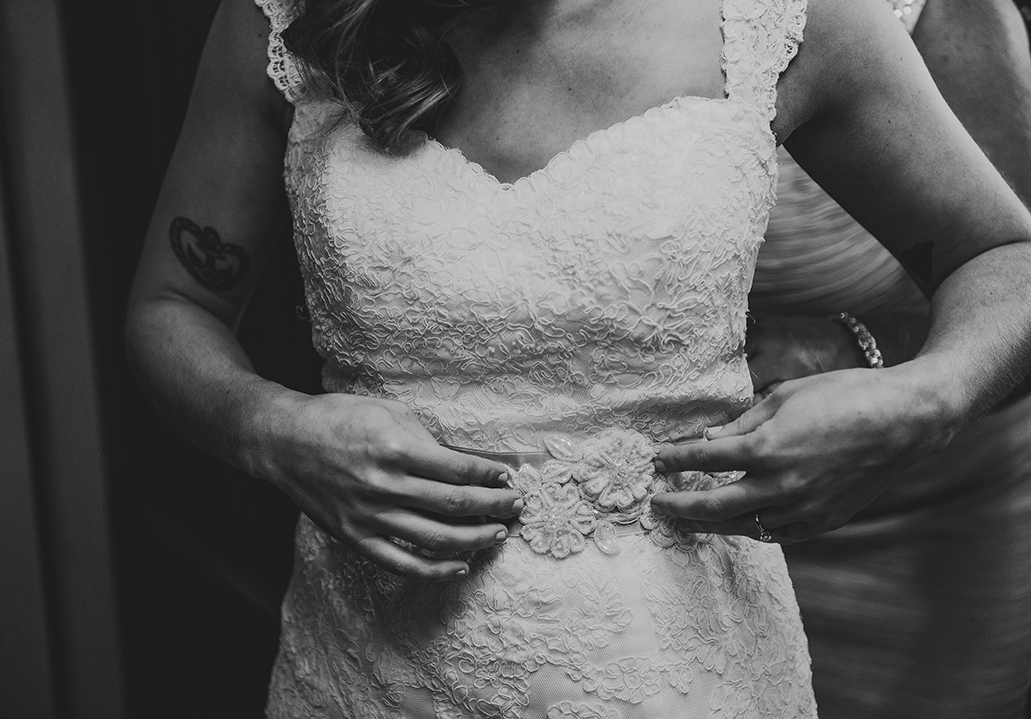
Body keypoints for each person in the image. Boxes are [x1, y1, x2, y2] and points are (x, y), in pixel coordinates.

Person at [125, 0, 1031, 716]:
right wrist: (269, 429)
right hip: (370, 669)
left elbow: (1005, 258)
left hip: (680, 674)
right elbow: (173, 306)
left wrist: (925, 398)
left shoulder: (780, 19)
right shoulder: (285, 24)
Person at [730, 0, 1031, 715]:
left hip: (911, 520)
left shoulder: (935, 14)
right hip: (649, 524)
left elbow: (1015, 279)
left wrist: (847, 351)